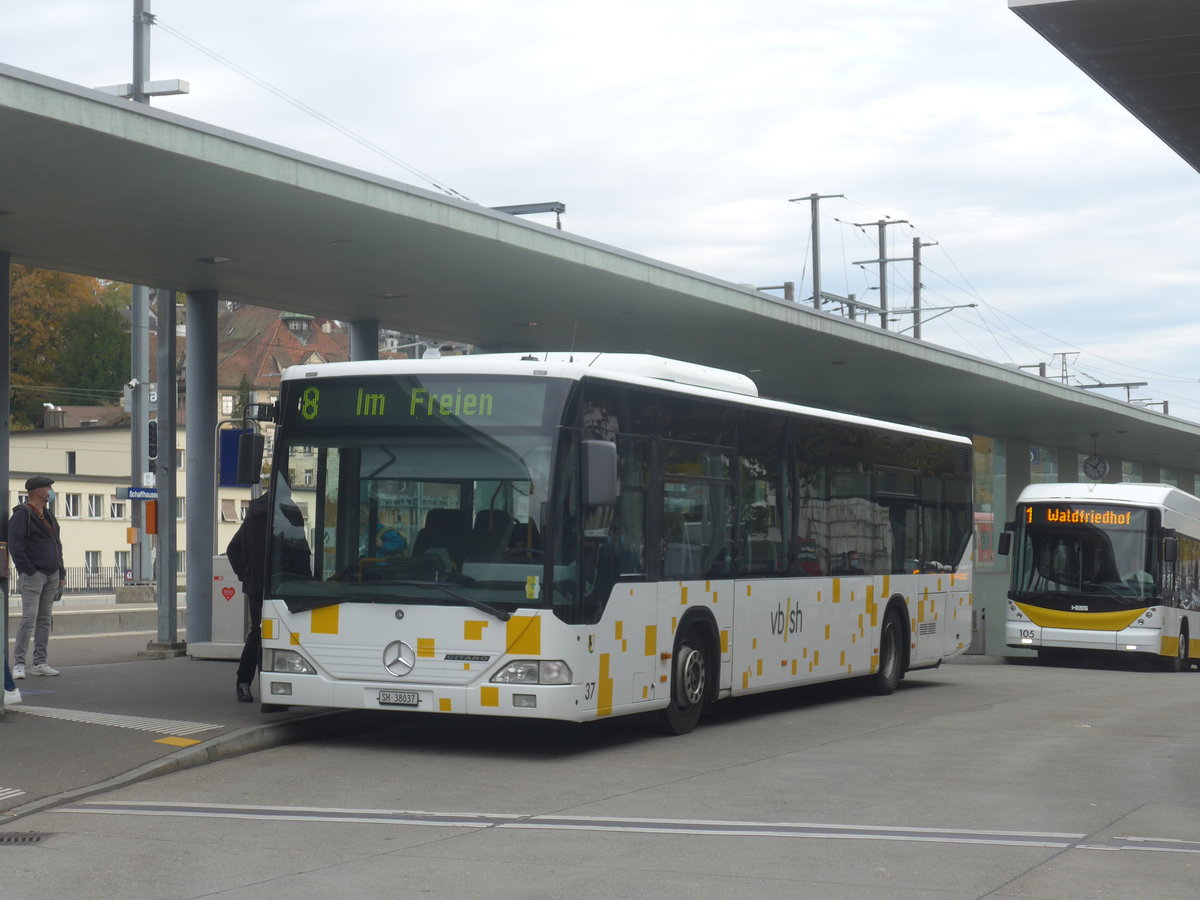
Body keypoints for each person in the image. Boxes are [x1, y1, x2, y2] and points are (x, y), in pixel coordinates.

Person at [9, 475, 65, 680]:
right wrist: (29, 570)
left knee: (44, 620)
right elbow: (16, 546)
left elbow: (57, 545)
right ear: (38, 492)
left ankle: (40, 662)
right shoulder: (22, 515)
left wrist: (61, 572)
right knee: (29, 619)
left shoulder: (49, 516)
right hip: (34, 576)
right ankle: (19, 664)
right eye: (48, 488)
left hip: (52, 575)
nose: (51, 491)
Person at [226, 493, 268, 703]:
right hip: (278, 586)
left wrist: (247, 573)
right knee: (270, 634)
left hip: (256, 586)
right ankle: (265, 685)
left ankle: (244, 683)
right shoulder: (287, 514)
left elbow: (233, 549)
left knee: (258, 633)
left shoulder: (253, 516)